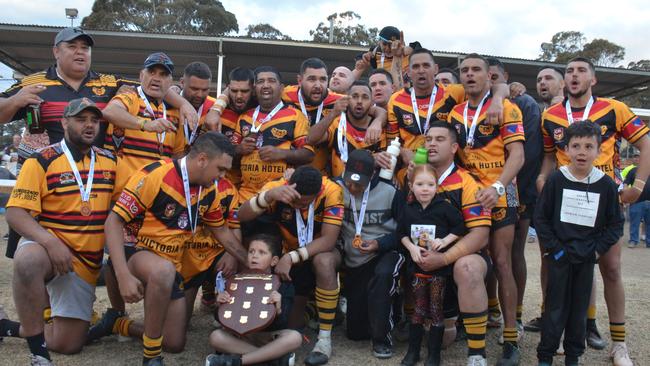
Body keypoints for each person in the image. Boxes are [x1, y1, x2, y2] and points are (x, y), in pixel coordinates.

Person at [538, 57, 650, 366]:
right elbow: (549, 157)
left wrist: (638, 185)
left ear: (593, 79)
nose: (574, 76)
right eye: (569, 71)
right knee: (556, 265)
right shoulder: (550, 114)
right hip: (565, 203)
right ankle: (557, 334)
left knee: (610, 268)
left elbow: (646, 144)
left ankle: (620, 344)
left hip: (604, 199)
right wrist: (542, 179)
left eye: (581, 71)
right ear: (564, 81)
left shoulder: (615, 109)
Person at [104, 132, 248, 365]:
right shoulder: (155, 175)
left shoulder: (209, 189)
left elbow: (222, 232)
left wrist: (249, 261)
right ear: (202, 159)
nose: (222, 176)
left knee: (174, 342)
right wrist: (122, 276)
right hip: (136, 252)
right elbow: (113, 221)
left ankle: (117, 324)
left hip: (172, 265)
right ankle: (151, 357)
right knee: (162, 271)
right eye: (220, 169)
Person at [1, 98, 116, 365]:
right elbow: (16, 213)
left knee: (69, 345)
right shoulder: (41, 160)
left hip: (86, 263)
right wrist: (50, 242)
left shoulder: (111, 162)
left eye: (94, 120)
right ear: (64, 123)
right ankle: (38, 355)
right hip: (50, 251)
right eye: (81, 119)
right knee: (27, 260)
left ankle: (7, 326)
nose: (89, 125)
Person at [448, 53, 525, 366]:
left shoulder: (507, 108)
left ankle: (510, 337)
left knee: (502, 262)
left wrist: (497, 188)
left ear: (489, 76)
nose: (469, 75)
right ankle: (471, 321)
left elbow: (517, 156)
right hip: (467, 198)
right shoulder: (454, 112)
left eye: (476, 69)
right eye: (464, 70)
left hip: (499, 196)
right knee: (468, 261)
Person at [535, 121, 623, 366]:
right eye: (576, 146)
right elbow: (541, 218)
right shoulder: (555, 180)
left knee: (579, 309)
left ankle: (573, 355)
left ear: (599, 150)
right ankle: (546, 355)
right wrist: (555, 249)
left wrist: (596, 250)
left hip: (586, 257)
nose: (582, 152)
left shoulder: (605, 185)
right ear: (566, 149)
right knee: (554, 308)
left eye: (588, 146)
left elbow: (616, 223)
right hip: (559, 256)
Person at [237, 166, 344, 366]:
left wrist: (291, 257)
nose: (296, 204)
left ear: (317, 193)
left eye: (303, 202)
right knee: (293, 324)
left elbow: (329, 240)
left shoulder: (331, 190)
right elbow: (241, 216)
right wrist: (268, 196)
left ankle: (324, 340)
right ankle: (308, 307)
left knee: (324, 261)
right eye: (293, 199)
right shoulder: (277, 187)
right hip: (286, 251)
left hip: (314, 252)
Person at [416, 121, 492, 366]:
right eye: (428, 139)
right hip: (425, 262)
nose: (432, 144)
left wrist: (445, 258)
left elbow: (480, 235)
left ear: (454, 147)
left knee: (467, 267)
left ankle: (477, 354)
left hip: (457, 258)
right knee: (436, 341)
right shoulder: (412, 177)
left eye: (440, 139)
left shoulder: (468, 182)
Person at [386, 48, 508, 186]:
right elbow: (391, 139)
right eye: (416, 66)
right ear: (408, 72)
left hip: (445, 170)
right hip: (413, 168)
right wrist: (403, 152)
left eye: (426, 65)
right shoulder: (396, 100)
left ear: (436, 69)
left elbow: (496, 87)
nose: (421, 70)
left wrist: (498, 99)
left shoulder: (454, 92)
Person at [488, 57, 542, 333]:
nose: (490, 81)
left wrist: (517, 194)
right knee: (483, 255)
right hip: (476, 191)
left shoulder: (522, 104)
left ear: (504, 77)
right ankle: (489, 310)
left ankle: (515, 317)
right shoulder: (465, 106)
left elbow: (529, 155)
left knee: (509, 256)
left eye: (495, 77)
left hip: (513, 191)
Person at [335, 149, 404, 359]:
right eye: (350, 181)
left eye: (359, 184)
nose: (353, 187)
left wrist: (380, 243)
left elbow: (404, 231)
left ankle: (382, 340)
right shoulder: (335, 187)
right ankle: (392, 307)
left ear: (373, 175)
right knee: (356, 333)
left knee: (383, 277)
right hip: (355, 260)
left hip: (385, 253)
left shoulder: (391, 191)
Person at [398, 163, 467, 366]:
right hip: (417, 269)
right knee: (419, 309)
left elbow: (460, 226)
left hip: (438, 270)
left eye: (430, 184)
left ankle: (434, 354)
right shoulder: (408, 209)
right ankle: (413, 352)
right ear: (411, 186)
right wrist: (411, 247)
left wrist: (444, 241)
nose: (425, 188)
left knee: (436, 309)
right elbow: (400, 232)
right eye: (420, 184)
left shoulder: (444, 207)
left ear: (437, 186)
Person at [205, 234, 302, 366]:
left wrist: (278, 308)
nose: (254, 256)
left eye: (262, 252)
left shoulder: (283, 284)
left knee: (294, 338)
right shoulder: (235, 281)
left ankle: (238, 361)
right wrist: (219, 305)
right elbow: (222, 318)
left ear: (274, 261)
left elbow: (283, 322)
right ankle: (271, 359)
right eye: (251, 252)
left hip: (268, 337)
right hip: (242, 337)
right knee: (216, 337)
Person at [524, 66, 567, 333]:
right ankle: (546, 313)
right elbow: (548, 155)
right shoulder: (543, 116)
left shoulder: (580, 110)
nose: (542, 83)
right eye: (539, 79)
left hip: (583, 195)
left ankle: (587, 321)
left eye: (549, 78)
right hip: (549, 196)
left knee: (583, 259)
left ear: (562, 83)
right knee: (548, 257)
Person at [233, 66, 314, 203]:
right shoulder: (244, 117)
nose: (265, 85)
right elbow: (229, 156)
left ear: (281, 87)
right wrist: (239, 149)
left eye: (271, 81)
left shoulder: (295, 116)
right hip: (246, 196)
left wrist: (281, 153)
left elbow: (309, 154)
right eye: (260, 81)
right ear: (254, 89)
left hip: (280, 196)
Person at [307, 80, 387, 178]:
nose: (359, 101)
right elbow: (310, 139)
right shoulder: (337, 123)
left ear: (372, 102)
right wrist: (333, 113)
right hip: (340, 185)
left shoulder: (379, 127)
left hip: (371, 187)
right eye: (355, 96)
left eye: (365, 97)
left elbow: (388, 160)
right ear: (346, 99)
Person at [178, 61, 221, 145]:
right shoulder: (169, 102)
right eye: (194, 89)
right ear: (182, 83)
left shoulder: (214, 106)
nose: (200, 95)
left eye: (205, 90)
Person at [623, 154, 650, 248]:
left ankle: (649, 242)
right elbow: (626, 183)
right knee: (635, 222)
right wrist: (625, 196)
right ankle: (633, 240)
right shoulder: (633, 171)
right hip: (637, 202)